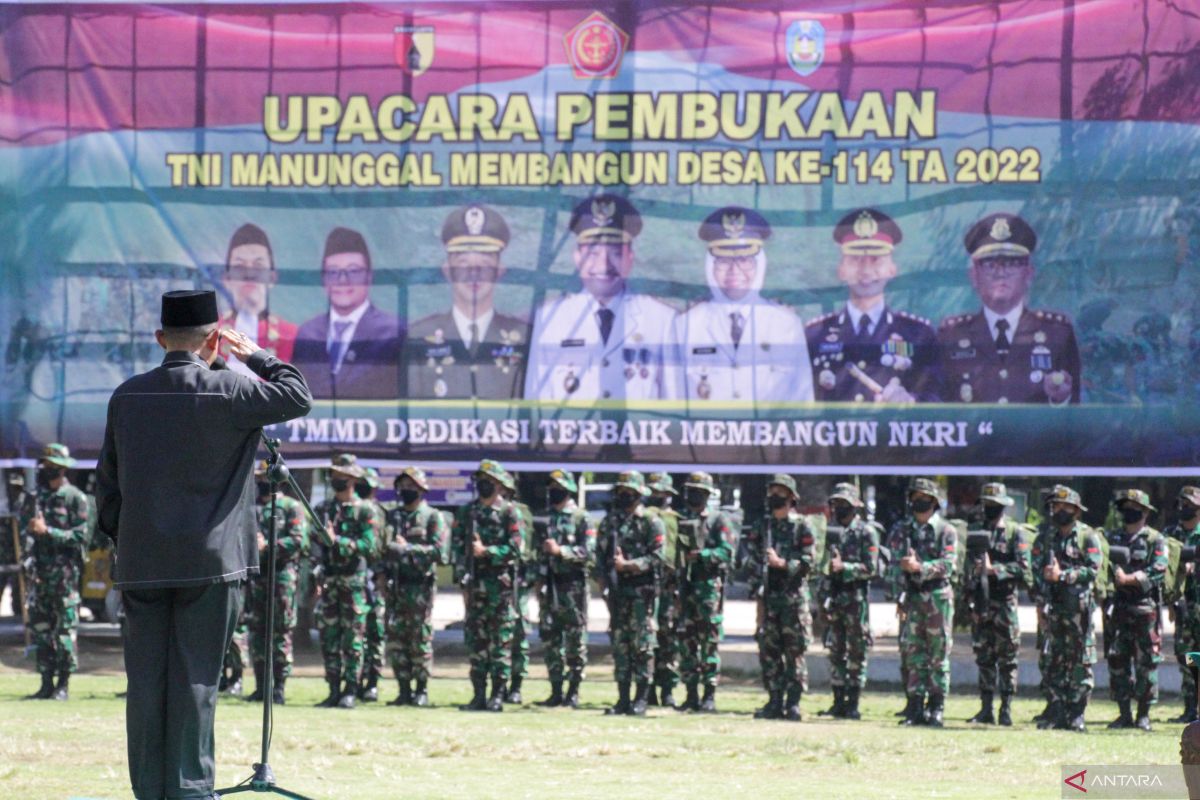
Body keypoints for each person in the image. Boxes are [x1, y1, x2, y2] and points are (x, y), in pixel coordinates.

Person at [95, 290, 312, 800]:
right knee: (196, 680)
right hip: (211, 565)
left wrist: (129, 538)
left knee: (146, 683)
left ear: (159, 339)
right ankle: (190, 789)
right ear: (216, 340)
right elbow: (297, 394)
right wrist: (253, 354)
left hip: (143, 562)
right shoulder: (231, 391)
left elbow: (107, 486)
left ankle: (150, 789)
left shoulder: (126, 395)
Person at [525, 195, 675, 402]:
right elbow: (534, 407)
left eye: (614, 253)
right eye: (593, 253)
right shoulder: (549, 320)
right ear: (577, 257)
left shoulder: (662, 320)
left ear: (630, 258)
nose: (603, 265)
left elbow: (676, 408)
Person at [665, 207, 813, 404]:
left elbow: (802, 407)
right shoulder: (685, 326)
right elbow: (672, 405)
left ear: (760, 265)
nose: (734, 270)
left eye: (744, 260)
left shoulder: (786, 325)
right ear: (710, 266)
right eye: (724, 260)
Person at [938, 212, 1080, 404]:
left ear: (1029, 273)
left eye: (1012, 263)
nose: (1001, 272)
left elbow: (1073, 416)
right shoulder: (951, 335)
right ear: (974, 276)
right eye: (989, 264)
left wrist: (1060, 398)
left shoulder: (1057, 333)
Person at [806, 208, 940, 402]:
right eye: (855, 259)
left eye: (876, 259)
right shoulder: (815, 335)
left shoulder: (918, 334)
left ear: (893, 269)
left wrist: (911, 402)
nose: (866, 270)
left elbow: (938, 398)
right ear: (841, 270)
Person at [406, 204, 530, 400]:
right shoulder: (418, 337)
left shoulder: (525, 338)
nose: (474, 274)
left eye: (485, 265)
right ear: (447, 271)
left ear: (499, 271)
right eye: (463, 264)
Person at [292, 226, 404, 400]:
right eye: (333, 272)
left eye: (353, 271)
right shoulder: (308, 334)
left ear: (369, 276)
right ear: (323, 279)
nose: (342, 280)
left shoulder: (394, 332)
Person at [452, 459, 525, 712]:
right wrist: (462, 577)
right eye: (480, 480)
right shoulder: (467, 512)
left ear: (498, 484)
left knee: (500, 643)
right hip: (475, 587)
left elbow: (517, 548)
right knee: (477, 643)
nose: (483, 485)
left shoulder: (509, 512)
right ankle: (479, 694)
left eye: (489, 481)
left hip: (500, 588)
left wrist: (487, 551)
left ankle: (498, 694)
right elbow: (457, 549)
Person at [20, 443, 91, 701]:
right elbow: (24, 532)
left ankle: (63, 684)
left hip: (64, 577)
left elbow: (82, 536)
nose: (46, 470)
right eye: (45, 466)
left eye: (51, 467)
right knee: (41, 630)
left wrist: (48, 531)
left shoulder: (75, 498)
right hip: (39, 577)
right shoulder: (35, 498)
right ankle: (45, 683)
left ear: (62, 469)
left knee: (64, 631)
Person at [1030, 484, 1102, 732]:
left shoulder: (1087, 537)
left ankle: (1076, 713)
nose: (1060, 510)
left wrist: (1063, 576)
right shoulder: (1045, 537)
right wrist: (1040, 603)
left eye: (1066, 507)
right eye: (1056, 506)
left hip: (1078, 612)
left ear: (1076, 510)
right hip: (1052, 610)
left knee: (1080, 661)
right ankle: (1056, 710)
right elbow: (1035, 571)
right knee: (1052, 661)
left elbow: (1092, 570)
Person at [744, 474, 816, 722]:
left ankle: (793, 703)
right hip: (769, 599)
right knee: (769, 651)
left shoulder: (802, 526)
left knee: (794, 652)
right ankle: (774, 700)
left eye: (780, 493)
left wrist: (782, 564)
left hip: (793, 600)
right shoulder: (762, 526)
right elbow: (750, 559)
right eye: (772, 492)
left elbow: (809, 562)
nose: (775, 497)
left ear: (791, 497)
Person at [887, 477, 958, 727]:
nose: (919, 502)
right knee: (913, 653)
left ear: (934, 502)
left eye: (924, 498)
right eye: (915, 498)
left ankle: (936, 707)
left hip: (937, 598)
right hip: (912, 597)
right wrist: (898, 595)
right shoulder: (900, 529)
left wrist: (921, 567)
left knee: (938, 654)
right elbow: (894, 566)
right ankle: (915, 706)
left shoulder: (946, 531)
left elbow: (949, 565)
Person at [312, 454, 380, 710]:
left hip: (354, 585)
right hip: (330, 582)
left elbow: (369, 546)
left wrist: (337, 541)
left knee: (352, 640)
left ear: (352, 479)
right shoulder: (323, 509)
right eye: (333, 475)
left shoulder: (365, 510)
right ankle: (332, 689)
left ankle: (350, 690)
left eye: (340, 475)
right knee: (329, 639)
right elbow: (314, 542)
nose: (335, 480)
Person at [595, 470, 665, 716]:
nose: (624, 497)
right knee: (620, 646)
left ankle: (641, 699)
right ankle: (623, 699)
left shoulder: (650, 522)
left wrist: (629, 565)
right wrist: (604, 584)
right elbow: (600, 558)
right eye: (621, 492)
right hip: (617, 594)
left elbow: (658, 557)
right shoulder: (609, 522)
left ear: (639, 495)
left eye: (629, 493)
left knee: (642, 647)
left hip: (640, 593)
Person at [963, 483, 1033, 727]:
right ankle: (985, 709)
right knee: (984, 656)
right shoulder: (975, 531)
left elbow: (1024, 569)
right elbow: (966, 566)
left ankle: (1006, 709)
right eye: (987, 505)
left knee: (1007, 658)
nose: (990, 509)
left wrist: (996, 570)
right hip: (982, 603)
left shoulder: (1015, 533)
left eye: (995, 505)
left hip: (1004, 603)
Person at [384, 466, 450, 707]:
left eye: (412, 487)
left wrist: (408, 549)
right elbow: (383, 548)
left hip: (420, 588)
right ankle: (403, 689)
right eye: (403, 486)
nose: (407, 491)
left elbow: (440, 553)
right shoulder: (393, 516)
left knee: (419, 640)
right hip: (396, 587)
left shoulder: (433, 517)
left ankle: (421, 690)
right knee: (397, 641)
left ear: (422, 490)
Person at [245, 461, 309, 705]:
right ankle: (261, 686)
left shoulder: (292, 507)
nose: (261, 483)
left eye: (265, 478)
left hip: (281, 577)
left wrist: (268, 546)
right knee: (257, 632)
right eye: (258, 479)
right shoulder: (252, 510)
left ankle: (279, 686)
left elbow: (297, 540)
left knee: (281, 632)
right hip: (257, 579)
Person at [1104, 489, 1167, 732]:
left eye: (1133, 507)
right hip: (1119, 610)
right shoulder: (1114, 538)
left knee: (1146, 663)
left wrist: (1131, 578)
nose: (1128, 511)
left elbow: (1159, 569)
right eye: (1125, 507)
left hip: (1145, 610)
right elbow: (1103, 567)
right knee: (1118, 661)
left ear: (1144, 512)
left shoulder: (1154, 539)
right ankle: (1123, 713)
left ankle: (1143, 714)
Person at [533, 469, 595, 708]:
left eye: (558, 488)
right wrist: (537, 580)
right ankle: (556, 690)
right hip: (549, 586)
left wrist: (562, 552)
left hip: (573, 587)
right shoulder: (544, 518)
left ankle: (573, 691)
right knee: (550, 640)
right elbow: (535, 553)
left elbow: (589, 552)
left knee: (574, 640)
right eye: (551, 488)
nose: (554, 492)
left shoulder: (581, 518)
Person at [818, 482, 879, 721]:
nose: (839, 509)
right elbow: (821, 566)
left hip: (856, 599)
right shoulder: (829, 532)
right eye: (836, 504)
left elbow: (871, 568)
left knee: (856, 652)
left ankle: (853, 703)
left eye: (844, 504)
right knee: (836, 651)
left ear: (855, 507)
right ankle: (837, 700)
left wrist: (846, 568)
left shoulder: (866, 532)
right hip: (834, 599)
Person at [675, 471, 735, 713]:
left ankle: (709, 695)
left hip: (708, 589)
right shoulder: (680, 519)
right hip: (684, 589)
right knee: (687, 643)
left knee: (708, 643)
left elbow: (727, 552)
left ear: (708, 495)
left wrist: (704, 555)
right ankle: (690, 694)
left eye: (698, 492)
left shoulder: (718, 521)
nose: (693, 496)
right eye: (690, 491)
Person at [219, 223, 297, 380]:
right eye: (240, 266)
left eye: (258, 265)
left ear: (272, 277)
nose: (249, 274)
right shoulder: (210, 335)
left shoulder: (292, 335)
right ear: (226, 278)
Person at [498, 467, 536, 704]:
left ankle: (517, 685)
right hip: (497, 581)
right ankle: (498, 684)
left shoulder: (521, 513)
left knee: (519, 632)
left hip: (518, 581)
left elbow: (526, 548)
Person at [644, 471, 681, 707]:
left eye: (662, 492)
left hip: (671, 584)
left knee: (669, 638)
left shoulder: (678, 519)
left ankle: (667, 688)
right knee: (647, 637)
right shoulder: (643, 517)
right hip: (646, 583)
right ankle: (646, 689)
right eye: (654, 491)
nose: (658, 496)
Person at [1165, 486, 1200, 723]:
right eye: (1181, 504)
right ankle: (1190, 708)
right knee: (1187, 656)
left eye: (1189, 505)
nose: (1184, 509)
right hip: (1182, 606)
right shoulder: (1170, 536)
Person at [355, 466, 389, 702]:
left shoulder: (381, 512)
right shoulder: (354, 510)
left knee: (375, 632)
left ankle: (372, 682)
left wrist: (383, 577)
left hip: (375, 579)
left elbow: (383, 549)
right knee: (357, 634)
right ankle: (355, 680)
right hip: (357, 577)